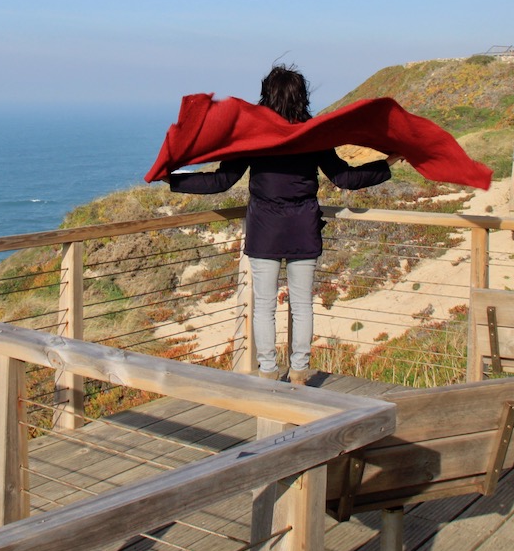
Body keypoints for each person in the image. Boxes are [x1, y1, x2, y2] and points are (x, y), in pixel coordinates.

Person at [167, 65, 399, 384]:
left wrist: (171, 178)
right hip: (303, 227)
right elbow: (346, 177)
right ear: (302, 98)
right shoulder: (314, 135)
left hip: (265, 230)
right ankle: (300, 372)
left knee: (264, 307)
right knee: (302, 305)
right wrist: (388, 163)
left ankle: (267, 372)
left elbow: (221, 181)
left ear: (266, 96)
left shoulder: (252, 135)